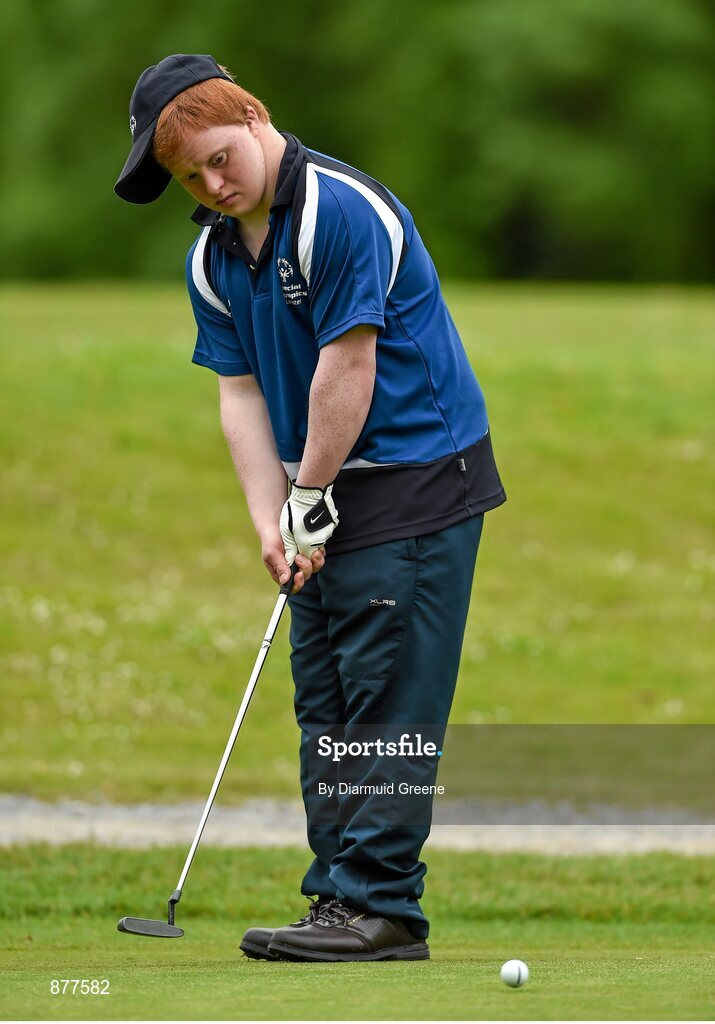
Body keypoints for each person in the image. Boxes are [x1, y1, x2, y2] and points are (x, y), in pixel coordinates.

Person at [115, 53, 506, 963]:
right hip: (318, 488)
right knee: (324, 700)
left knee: (386, 697)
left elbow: (348, 366)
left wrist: (307, 496)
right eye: (191, 177)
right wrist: (271, 518)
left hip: (411, 477)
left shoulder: (338, 211)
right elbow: (241, 395)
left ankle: (381, 907)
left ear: (252, 116)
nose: (213, 184)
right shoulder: (213, 258)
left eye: (218, 157)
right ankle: (338, 900)